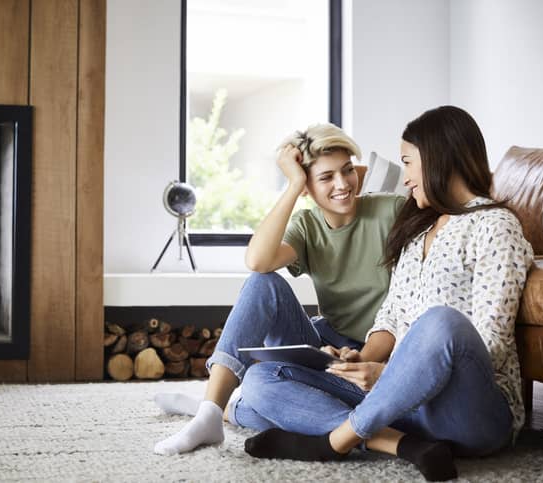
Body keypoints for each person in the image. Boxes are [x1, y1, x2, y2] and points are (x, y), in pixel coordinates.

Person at [238, 106, 534, 481]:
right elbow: (392, 316)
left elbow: (492, 344)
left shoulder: (495, 226)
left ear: (438, 159)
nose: (405, 179)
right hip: (407, 409)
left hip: (471, 415)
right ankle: (402, 444)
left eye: (408, 163)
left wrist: (392, 374)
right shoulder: (416, 228)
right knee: (261, 380)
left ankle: (334, 441)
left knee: (441, 321)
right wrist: (361, 360)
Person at [153, 123, 405, 455]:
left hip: (377, 354)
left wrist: (363, 356)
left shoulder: (392, 210)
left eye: (347, 171)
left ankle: (215, 410)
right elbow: (257, 261)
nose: (343, 185)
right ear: (307, 188)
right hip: (327, 348)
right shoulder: (307, 225)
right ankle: (209, 411)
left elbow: (406, 305)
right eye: (326, 178)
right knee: (263, 283)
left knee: (262, 396)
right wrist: (292, 185)